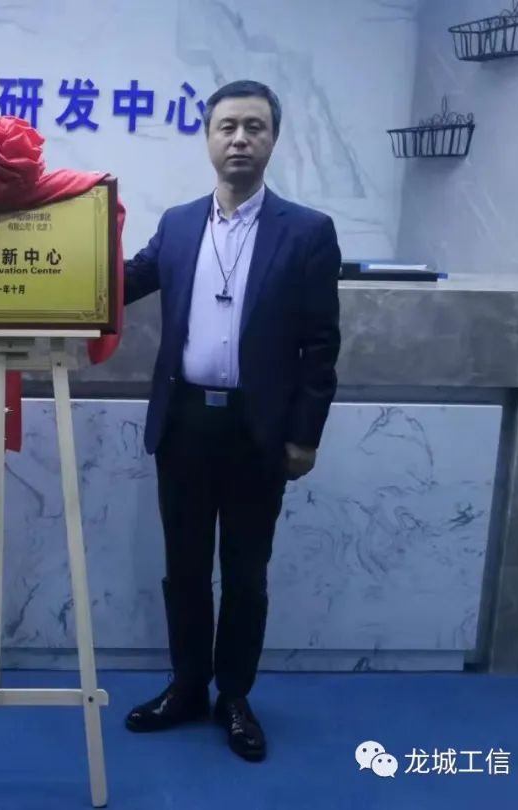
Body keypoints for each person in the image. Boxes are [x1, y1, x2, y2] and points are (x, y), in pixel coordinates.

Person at [120, 80, 341, 761]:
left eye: (254, 127)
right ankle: (188, 686)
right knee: (184, 569)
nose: (240, 139)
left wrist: (305, 434)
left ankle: (234, 696)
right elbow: (122, 282)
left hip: (258, 428)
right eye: (227, 127)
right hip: (185, 422)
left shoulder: (307, 231)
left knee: (246, 573)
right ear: (208, 138)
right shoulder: (179, 224)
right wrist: (49, 259)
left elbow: (320, 344)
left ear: (273, 138)